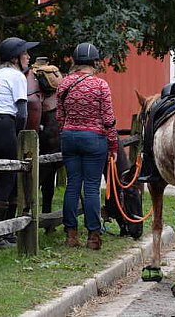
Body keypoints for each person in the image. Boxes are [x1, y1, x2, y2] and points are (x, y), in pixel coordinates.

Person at [56, 42, 118, 250]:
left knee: (72, 185)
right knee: (91, 186)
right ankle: (93, 236)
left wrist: (67, 132)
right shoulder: (100, 85)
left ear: (74, 61)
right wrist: (113, 146)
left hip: (69, 137)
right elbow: (108, 119)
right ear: (95, 62)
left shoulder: (64, 84)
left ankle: (71, 234)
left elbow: (59, 116)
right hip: (94, 138)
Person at [0, 36, 39, 249]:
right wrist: (22, 135)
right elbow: (22, 111)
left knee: (12, 180)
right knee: (8, 181)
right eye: (25, 53)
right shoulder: (17, 76)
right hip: (6, 125)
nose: (28, 57)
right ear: (16, 58)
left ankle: (8, 232)